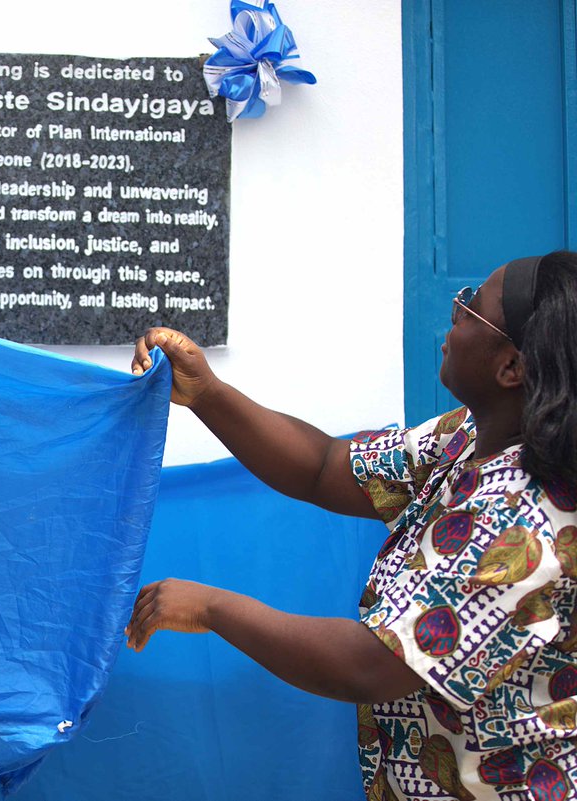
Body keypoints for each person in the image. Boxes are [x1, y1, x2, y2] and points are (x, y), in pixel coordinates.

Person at [125, 252, 577, 801]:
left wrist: (211, 607)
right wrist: (207, 393)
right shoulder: (467, 441)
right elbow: (327, 468)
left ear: (511, 367)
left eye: (468, 311)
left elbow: (370, 664)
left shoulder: (523, 528)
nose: (453, 315)